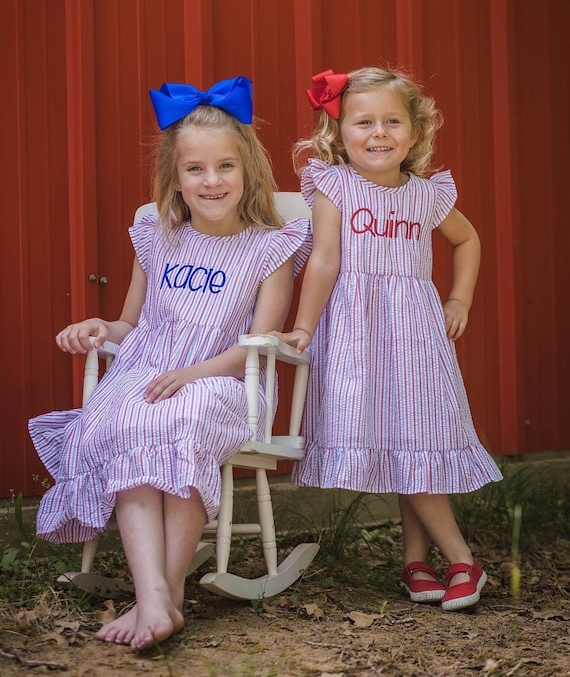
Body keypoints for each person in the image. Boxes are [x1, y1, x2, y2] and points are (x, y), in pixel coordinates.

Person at [29, 76, 311, 649]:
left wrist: (194, 373)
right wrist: (99, 329)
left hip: (225, 381)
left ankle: (165, 595)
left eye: (225, 167)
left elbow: (257, 347)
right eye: (196, 170)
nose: (212, 181)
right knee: (130, 420)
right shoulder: (158, 236)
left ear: (247, 170)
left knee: (181, 419)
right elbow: (129, 323)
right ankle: (155, 596)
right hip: (146, 373)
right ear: (175, 178)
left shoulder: (271, 247)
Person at [276, 66, 502, 612]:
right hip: (357, 335)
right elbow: (325, 261)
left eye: (392, 121)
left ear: (414, 133)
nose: (378, 133)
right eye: (364, 122)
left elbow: (467, 240)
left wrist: (459, 299)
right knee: (401, 443)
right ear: (339, 133)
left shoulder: (426, 195)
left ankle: (460, 560)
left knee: (415, 440)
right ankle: (418, 563)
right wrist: (305, 325)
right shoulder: (335, 187)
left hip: (416, 337)